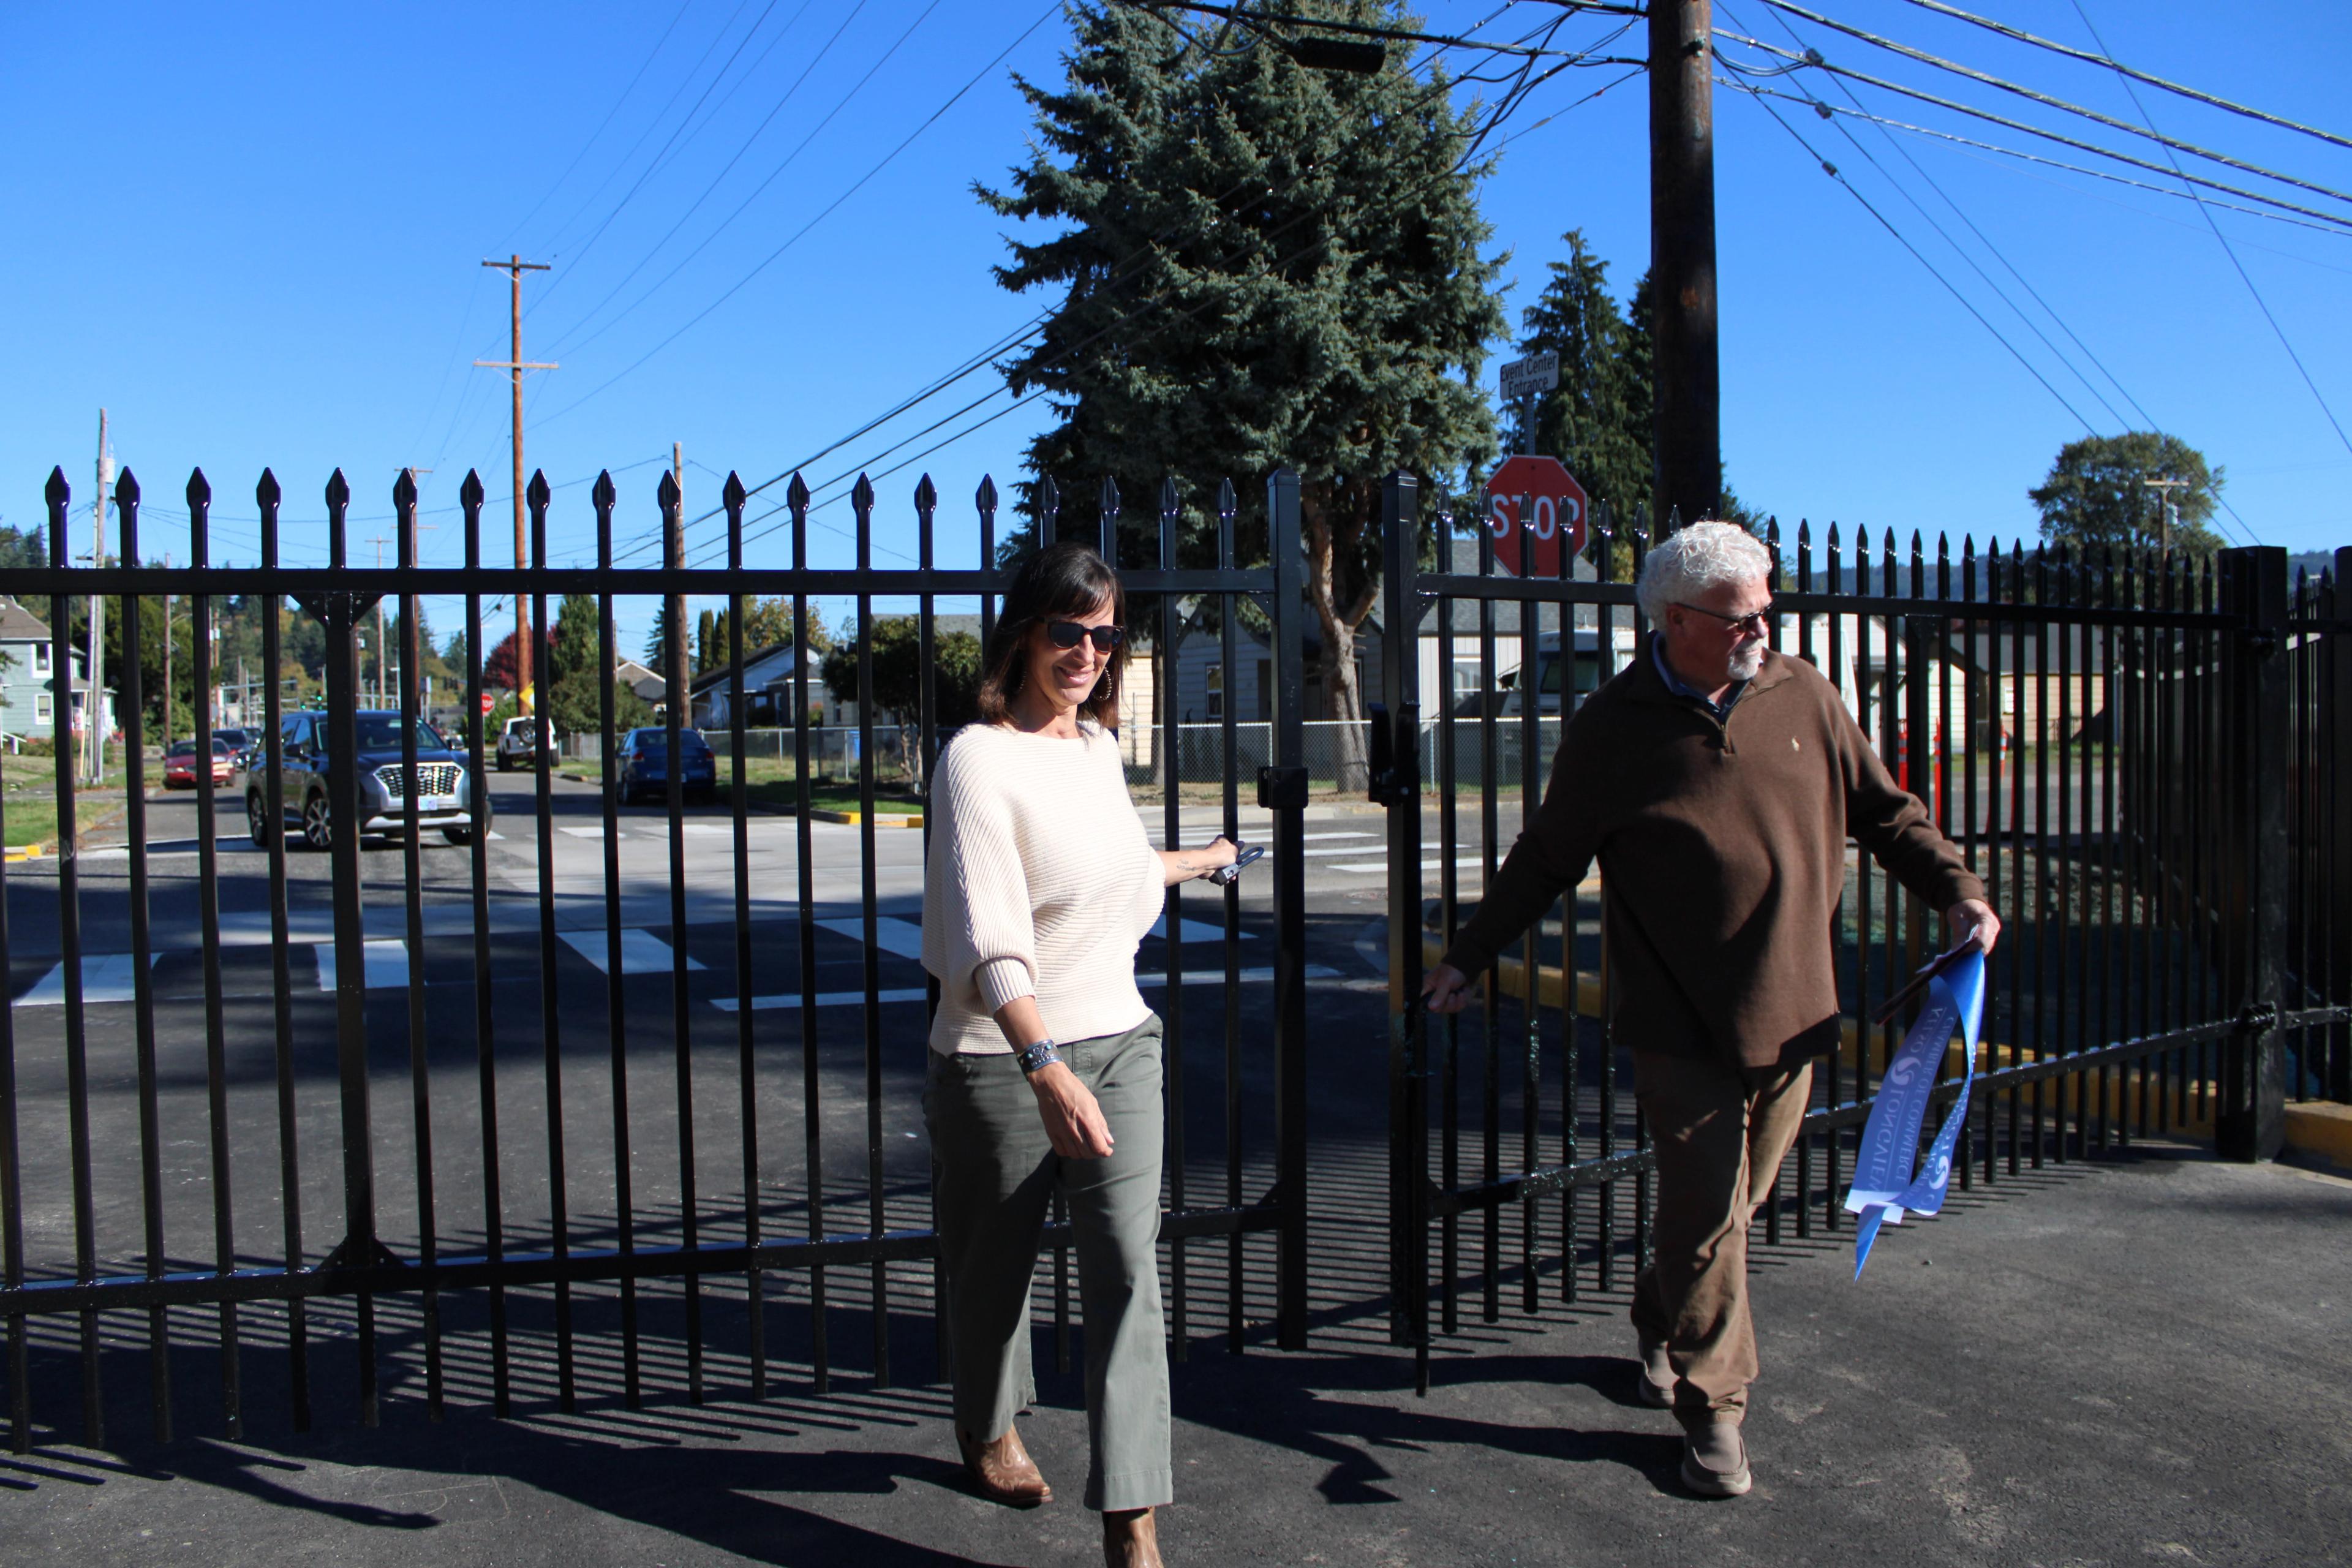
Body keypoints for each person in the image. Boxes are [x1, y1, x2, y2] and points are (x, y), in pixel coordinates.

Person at [1422, 521, 1999, 1499]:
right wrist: (1470, 956)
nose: (1762, 628)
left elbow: (1886, 811)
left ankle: (1659, 1318)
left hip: (1793, 1007)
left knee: (1732, 1208)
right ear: (1679, 620)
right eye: (1742, 616)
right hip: (1676, 1019)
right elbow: (1548, 858)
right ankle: (1716, 1410)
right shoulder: (1614, 726)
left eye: (1767, 608)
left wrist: (1957, 889)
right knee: (1704, 1214)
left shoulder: (1803, 695)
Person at [922, 540, 1238, 1568]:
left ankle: (1131, 1523)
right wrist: (1043, 1066)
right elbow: (993, 942)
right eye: (1070, 630)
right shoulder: (976, 760)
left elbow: (1115, 869)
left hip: (1122, 1044)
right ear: (1025, 632)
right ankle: (988, 1422)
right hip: (1000, 1060)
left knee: (1125, 1276)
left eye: (1106, 635)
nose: (1090, 652)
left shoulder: (1099, 749)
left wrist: (1203, 861)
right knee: (990, 1278)